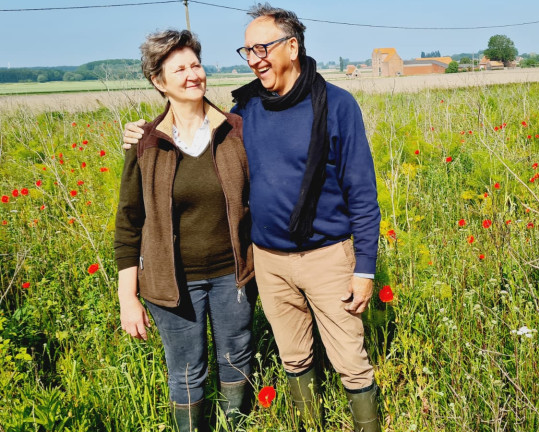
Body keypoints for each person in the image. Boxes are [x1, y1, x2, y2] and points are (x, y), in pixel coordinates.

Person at [123, 4, 383, 430]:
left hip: (327, 259)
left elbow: (363, 193)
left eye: (263, 46)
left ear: (293, 46)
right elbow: (187, 132)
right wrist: (142, 133)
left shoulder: (336, 105)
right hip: (267, 261)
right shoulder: (247, 111)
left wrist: (365, 269)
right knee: (294, 357)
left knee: (351, 361)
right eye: (248, 50)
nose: (255, 57)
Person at [114, 29, 255, 432]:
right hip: (172, 283)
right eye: (180, 69)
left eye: (196, 64)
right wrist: (128, 298)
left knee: (236, 357)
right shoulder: (145, 143)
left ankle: (236, 425)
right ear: (159, 82)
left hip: (234, 276)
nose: (193, 74)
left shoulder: (235, 131)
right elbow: (128, 223)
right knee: (187, 371)